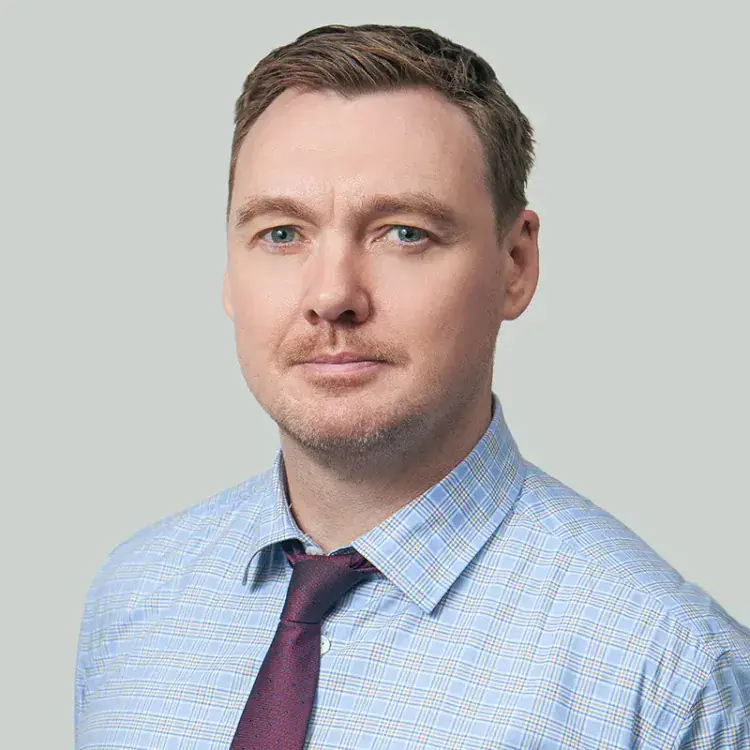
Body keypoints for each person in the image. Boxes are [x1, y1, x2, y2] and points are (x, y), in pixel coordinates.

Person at [74, 23, 750, 750]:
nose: (332, 296)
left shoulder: (672, 677)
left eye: (404, 232)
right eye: (282, 233)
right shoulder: (134, 597)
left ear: (515, 266)